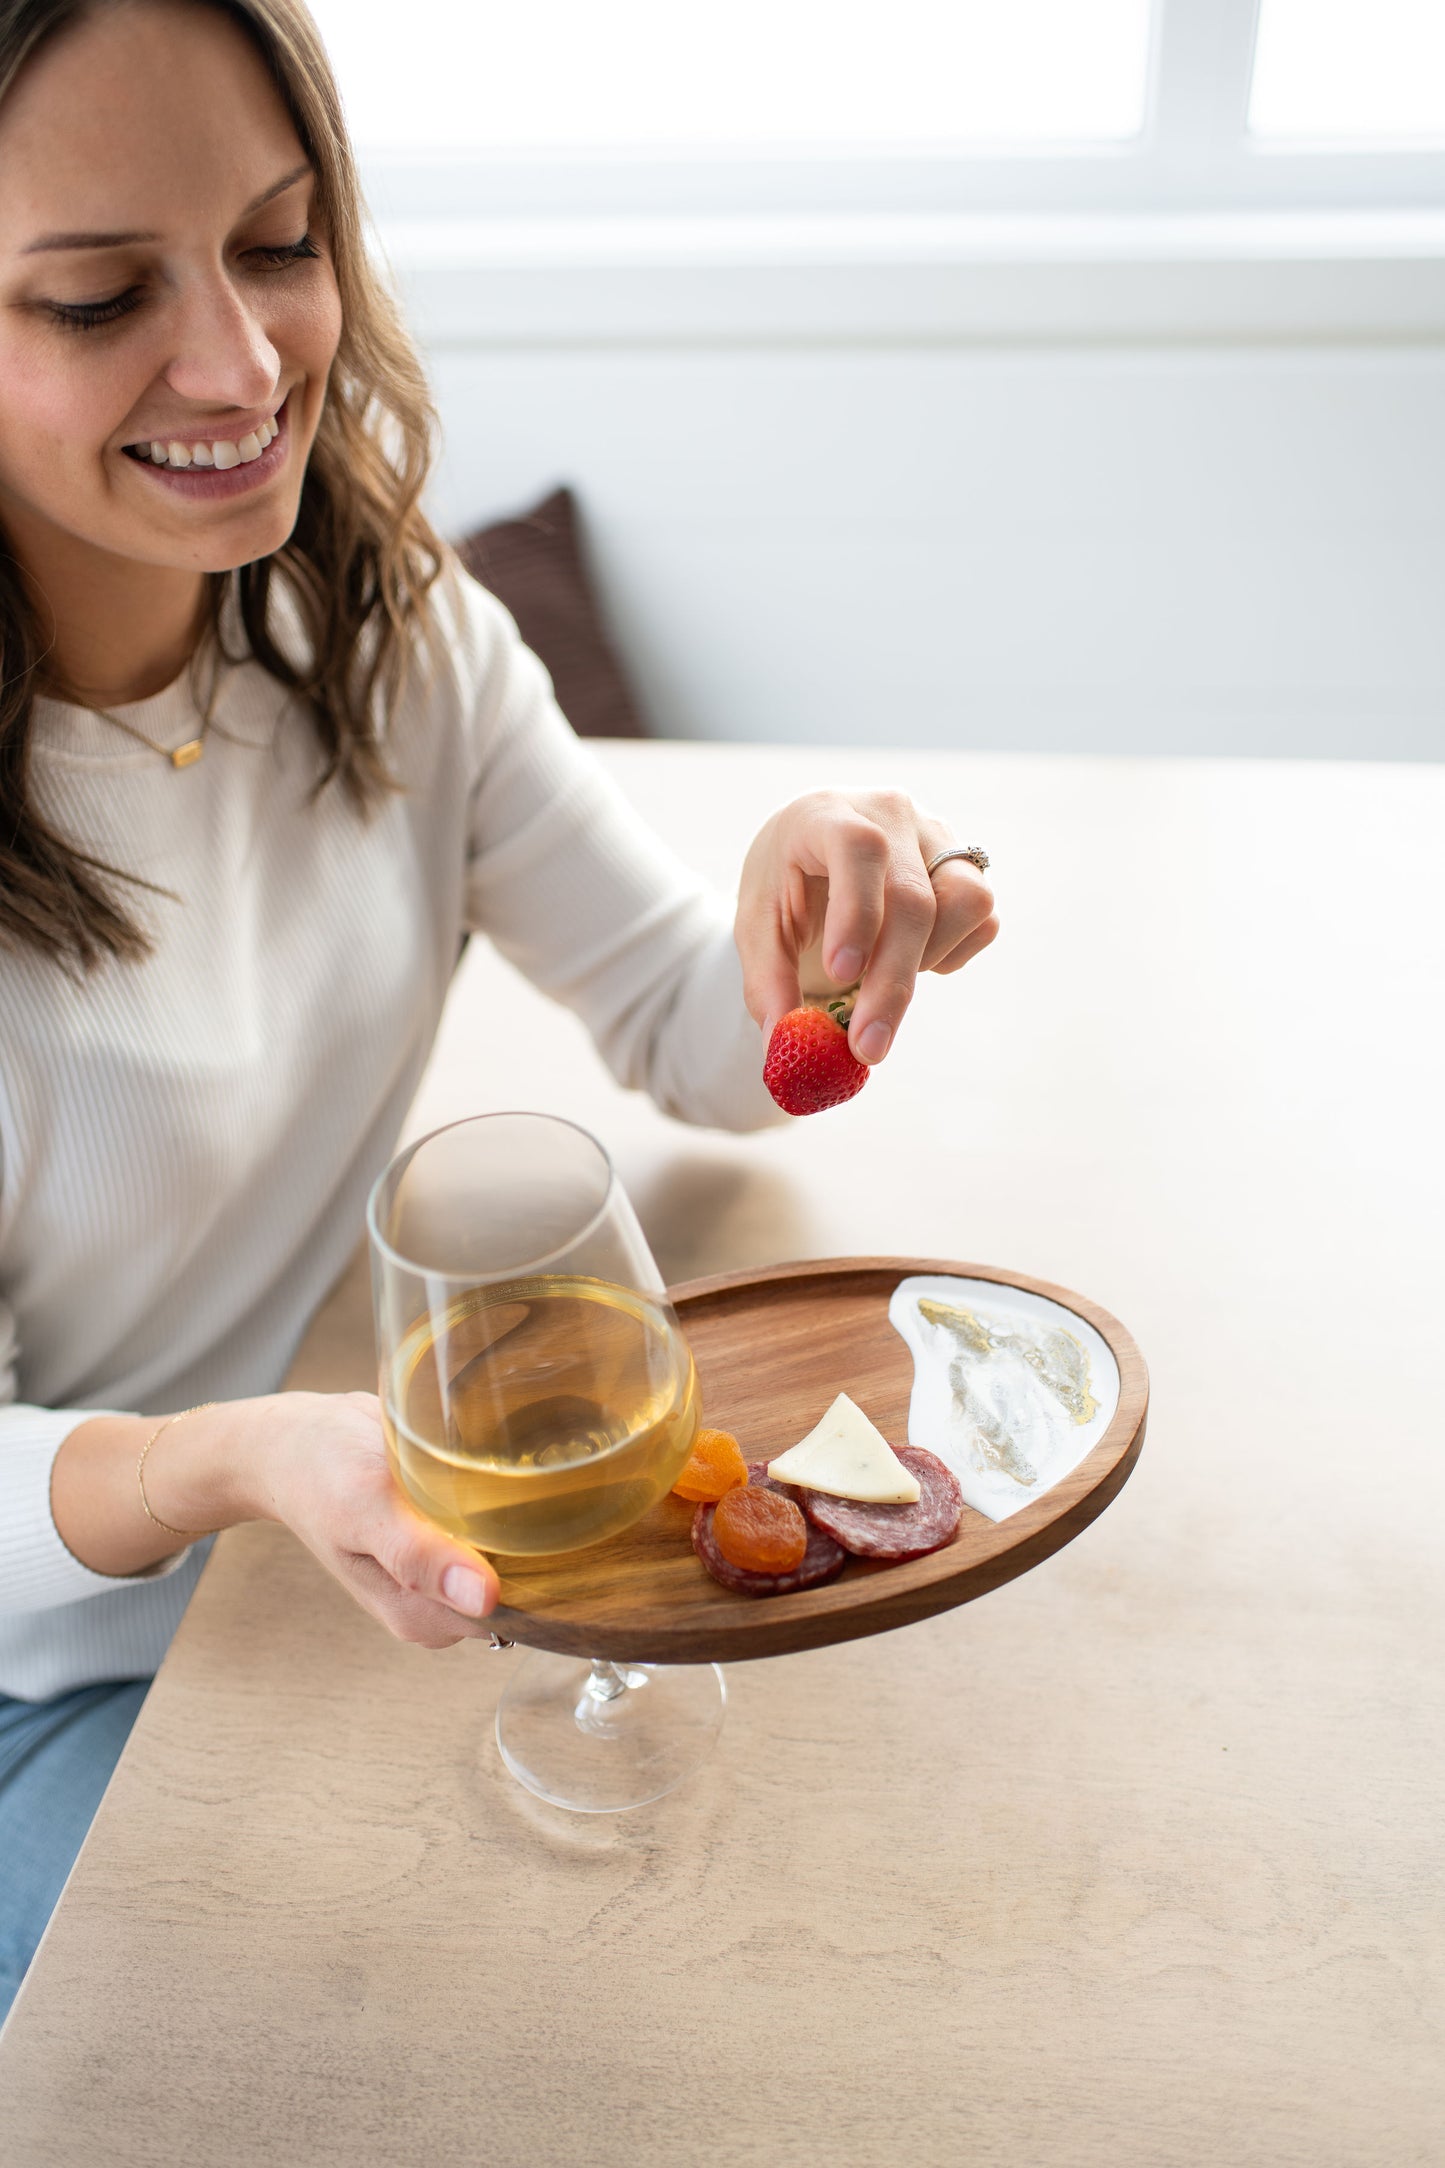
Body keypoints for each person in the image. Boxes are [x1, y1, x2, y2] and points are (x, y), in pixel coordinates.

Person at [0, 0, 997, 2022]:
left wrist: (798, 920)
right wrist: (222, 1465)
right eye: (100, 297)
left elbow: (683, 1027)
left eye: (279, 244)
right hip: (66, 1666)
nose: (245, 363)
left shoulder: (390, 640)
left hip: (343, 1558)